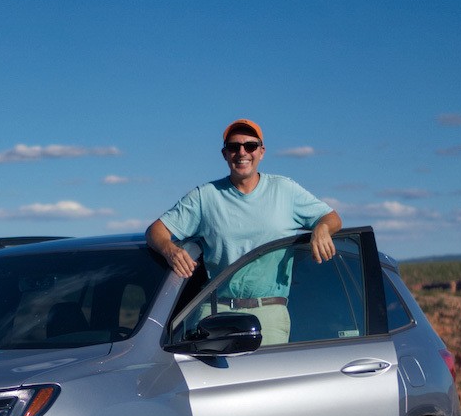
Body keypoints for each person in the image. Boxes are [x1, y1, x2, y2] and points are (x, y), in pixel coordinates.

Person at [146, 118, 342, 344]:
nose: (242, 152)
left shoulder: (285, 190)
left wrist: (322, 228)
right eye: (233, 147)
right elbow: (155, 231)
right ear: (224, 154)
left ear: (261, 152)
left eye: (250, 146)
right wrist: (170, 250)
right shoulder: (205, 196)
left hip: (269, 313)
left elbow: (332, 217)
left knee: (265, 380)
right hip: (215, 313)